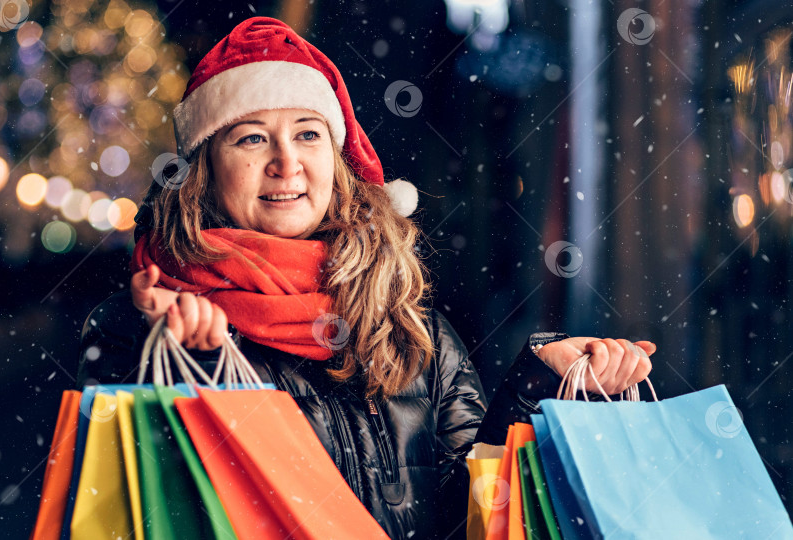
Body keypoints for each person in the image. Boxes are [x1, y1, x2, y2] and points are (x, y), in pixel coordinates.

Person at [77, 16, 656, 539]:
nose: (287, 163)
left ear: (335, 157)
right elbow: (142, 506)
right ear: (206, 167)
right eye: (251, 137)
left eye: (308, 133)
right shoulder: (146, 319)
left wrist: (538, 384)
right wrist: (192, 370)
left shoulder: (405, 317)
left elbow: (468, 515)